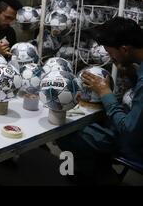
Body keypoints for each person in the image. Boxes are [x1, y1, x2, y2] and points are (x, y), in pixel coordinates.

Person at [57, 17, 143, 184]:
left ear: (125, 49)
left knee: (67, 131)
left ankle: (97, 175)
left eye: (111, 53)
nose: (111, 59)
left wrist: (105, 93)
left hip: (136, 145)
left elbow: (129, 131)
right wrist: (132, 75)